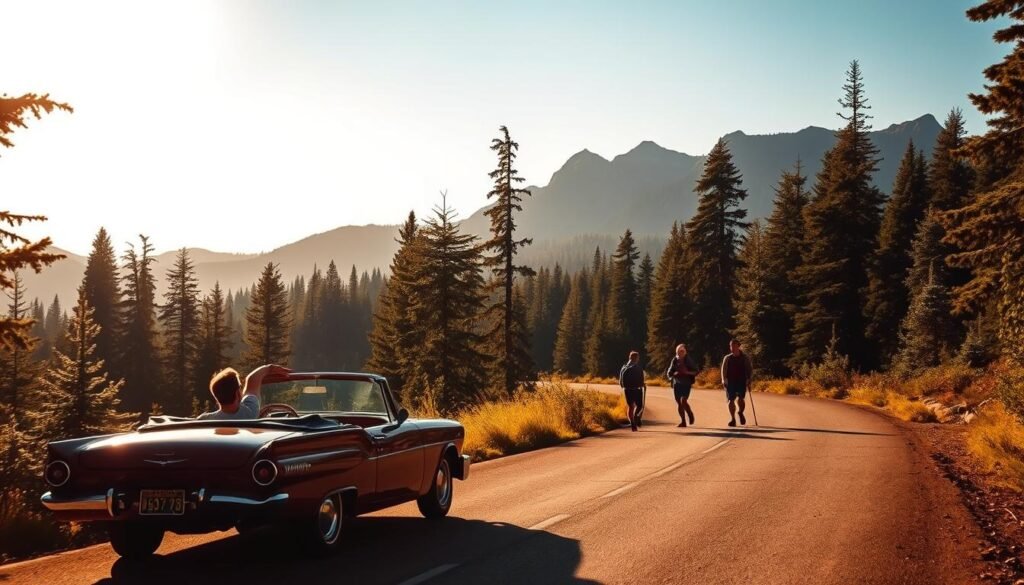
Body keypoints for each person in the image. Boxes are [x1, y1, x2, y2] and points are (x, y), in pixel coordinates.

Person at [197, 363, 291, 420]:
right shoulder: (249, 413)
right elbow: (252, 379)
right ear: (238, 393)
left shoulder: (204, 420)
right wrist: (269, 368)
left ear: (216, 397)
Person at [720, 339, 753, 427]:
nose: (733, 348)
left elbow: (749, 370)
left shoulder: (745, 357)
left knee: (741, 399)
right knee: (731, 400)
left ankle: (740, 412)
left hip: (741, 381)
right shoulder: (727, 358)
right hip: (730, 381)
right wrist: (724, 380)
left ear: (738, 346)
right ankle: (733, 419)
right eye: (731, 346)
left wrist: (749, 380)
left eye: (734, 346)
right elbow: (723, 370)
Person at [667, 343, 699, 427]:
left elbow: (696, 371)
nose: (680, 352)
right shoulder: (674, 360)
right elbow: (669, 372)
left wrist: (687, 372)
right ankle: (683, 421)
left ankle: (690, 414)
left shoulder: (688, 360)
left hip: (686, 383)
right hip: (676, 383)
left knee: (683, 400)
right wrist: (674, 374)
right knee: (679, 403)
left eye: (682, 351)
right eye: (679, 351)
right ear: (677, 351)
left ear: (685, 352)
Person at [619, 351, 645, 432]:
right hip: (637, 389)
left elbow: (620, 382)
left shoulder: (624, 367)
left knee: (631, 407)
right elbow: (642, 379)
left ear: (630, 357)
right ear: (636, 358)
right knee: (639, 406)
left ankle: (633, 424)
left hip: (627, 389)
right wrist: (642, 384)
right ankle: (636, 416)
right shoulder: (638, 367)